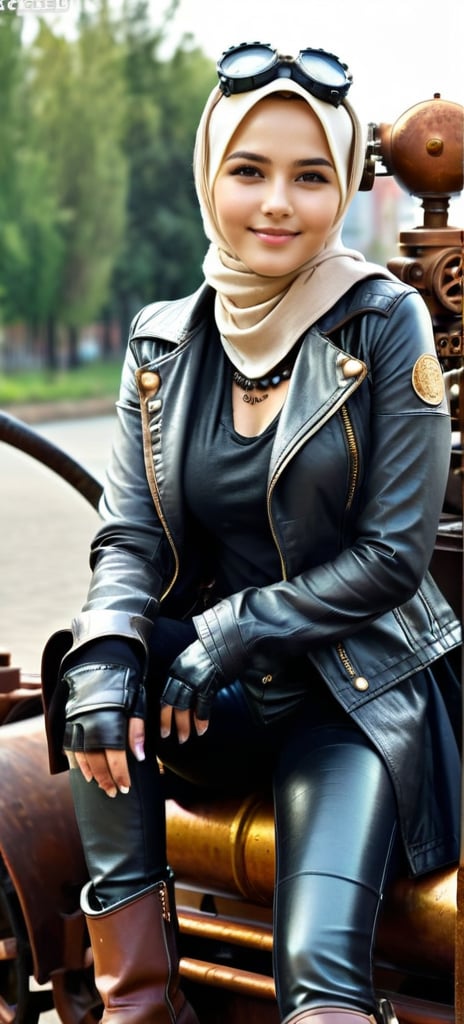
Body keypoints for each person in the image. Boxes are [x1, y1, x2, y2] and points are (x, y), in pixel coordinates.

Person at [42, 41, 462, 1024]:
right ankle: (140, 1005)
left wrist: (225, 635)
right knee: (92, 690)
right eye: (248, 170)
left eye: (308, 176)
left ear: (339, 189)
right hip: (208, 701)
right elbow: (132, 537)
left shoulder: (382, 322)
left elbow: (391, 558)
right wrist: (111, 654)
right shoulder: (160, 341)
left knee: (316, 977)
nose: (275, 202)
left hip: (351, 696)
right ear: (209, 177)